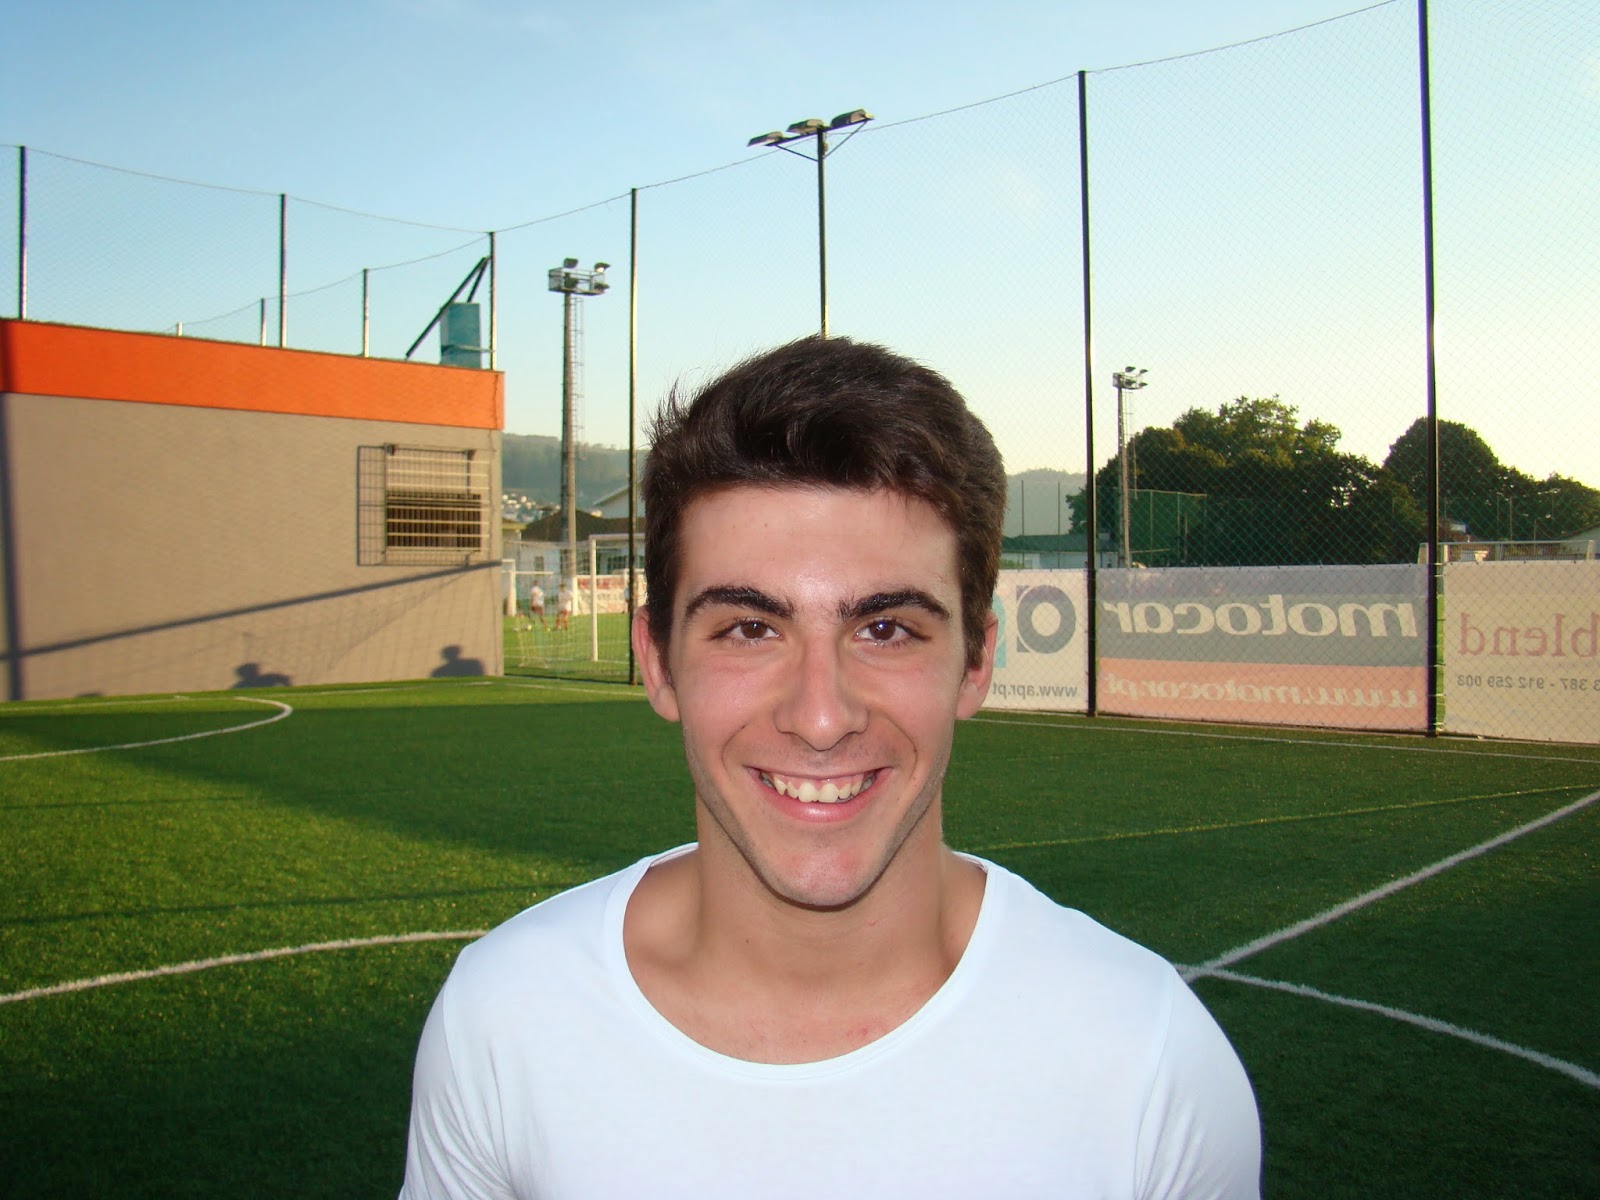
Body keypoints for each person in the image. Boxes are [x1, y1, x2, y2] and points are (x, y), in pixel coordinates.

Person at [400, 337, 1261, 1199]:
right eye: (749, 629)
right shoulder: (505, 1020)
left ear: (976, 662)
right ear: (656, 662)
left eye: (886, 629)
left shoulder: (1146, 1060)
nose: (819, 717)